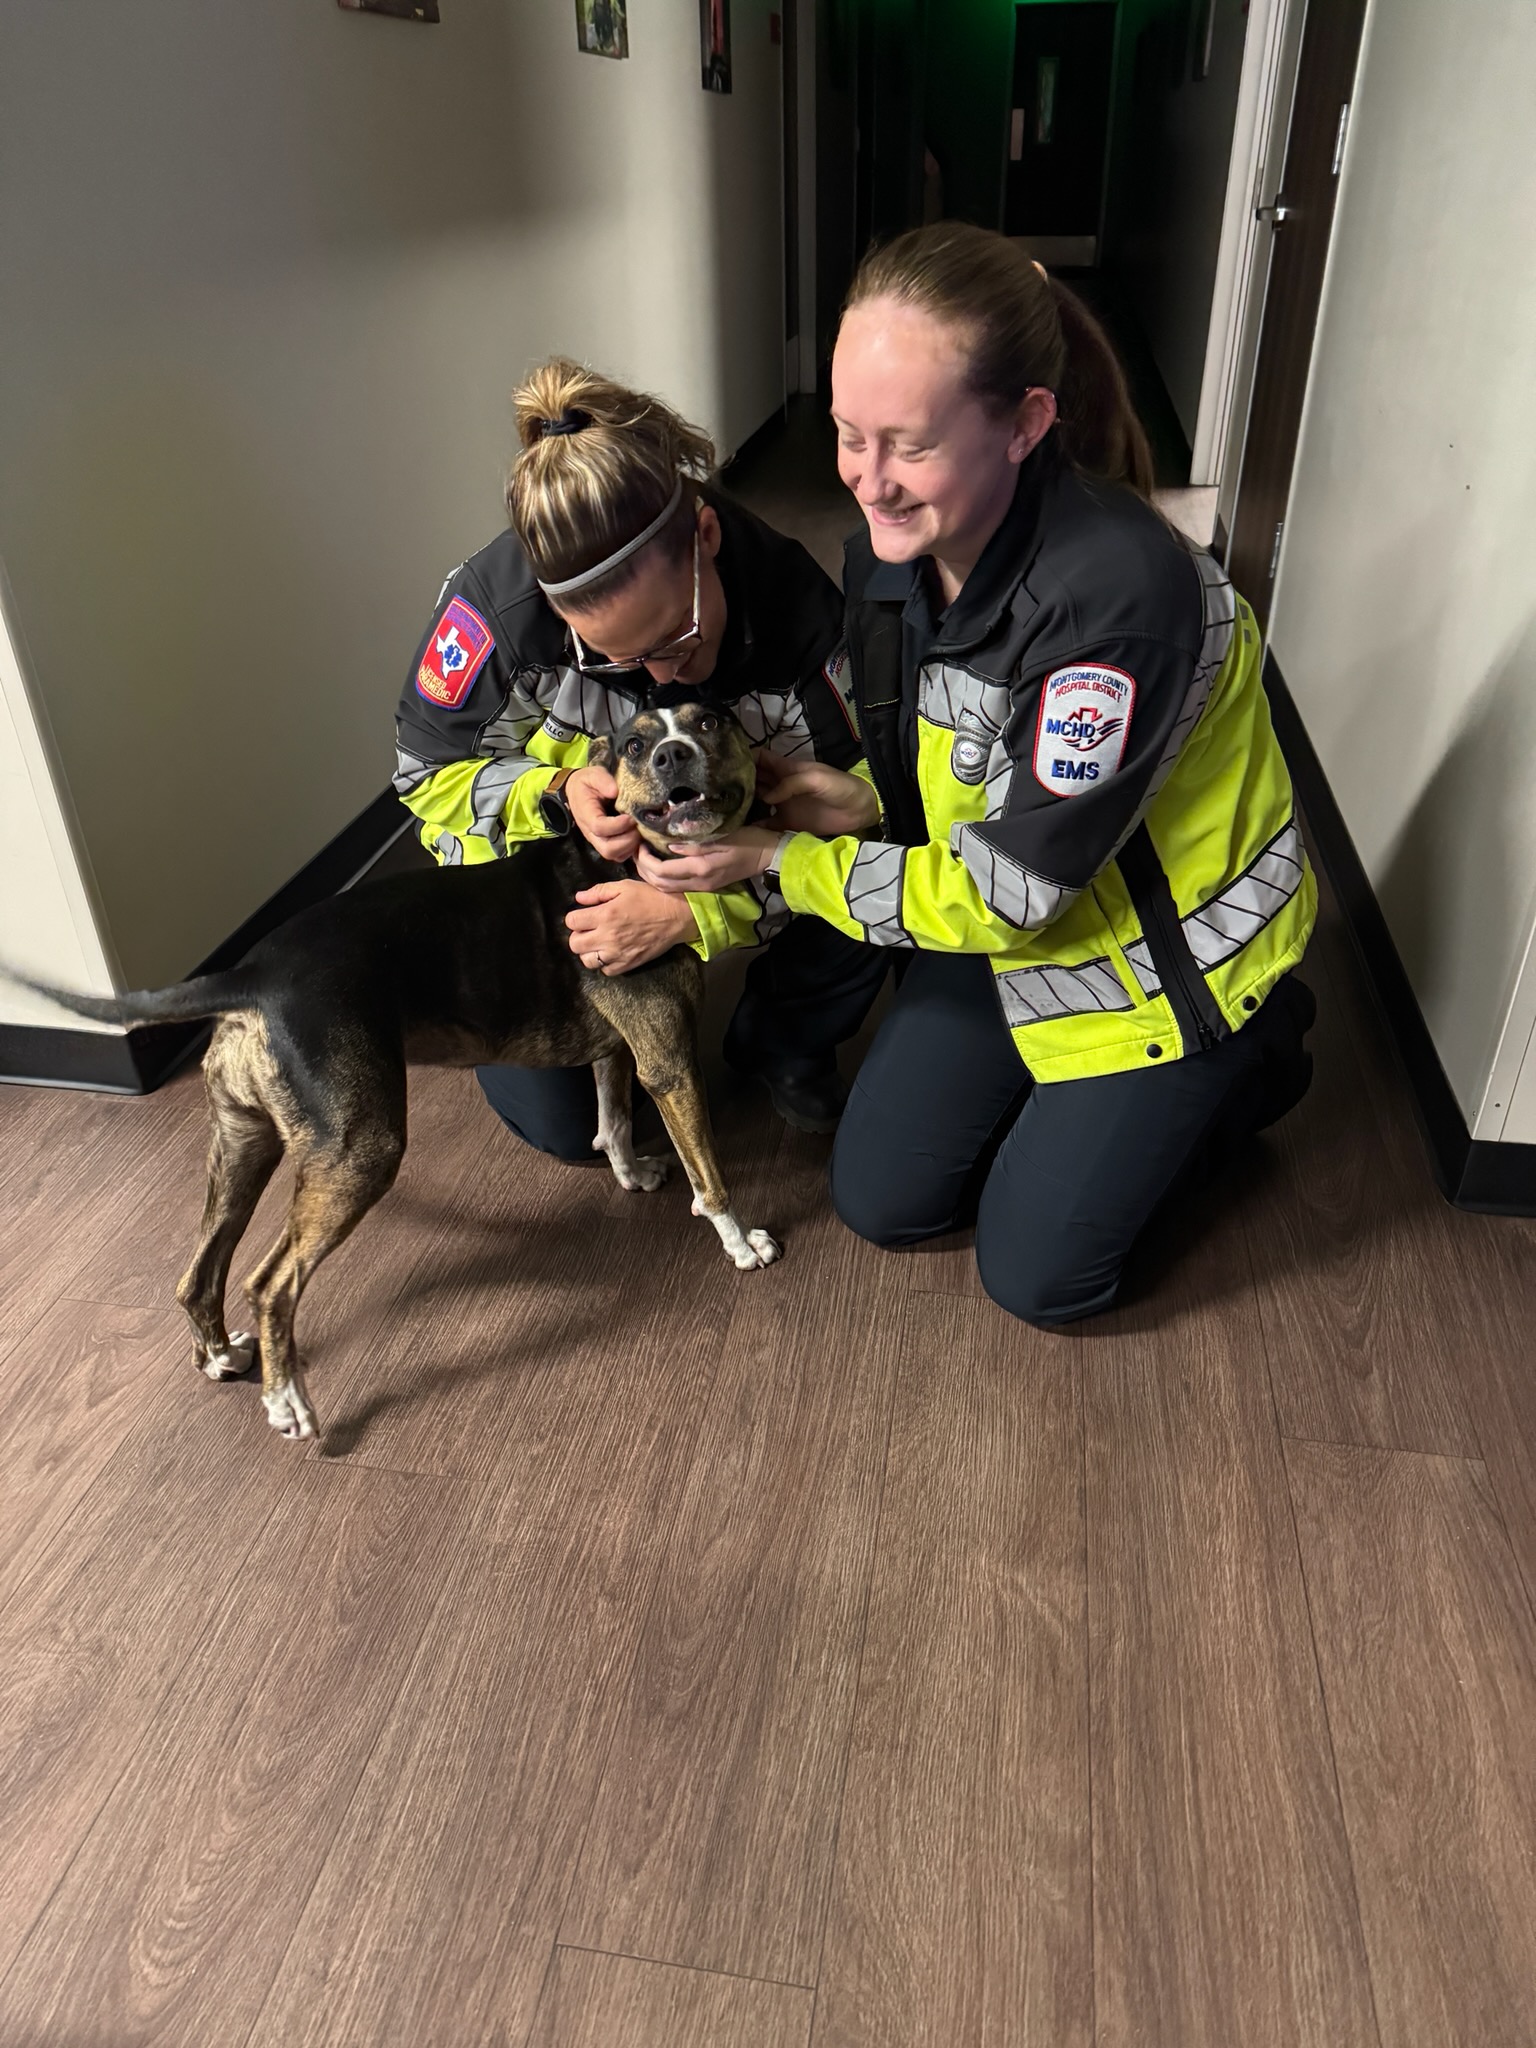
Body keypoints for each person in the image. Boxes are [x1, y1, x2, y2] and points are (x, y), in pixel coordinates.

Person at [641, 224, 1318, 1326]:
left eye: (906, 444)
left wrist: (783, 862)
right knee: (882, 1198)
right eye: (849, 435)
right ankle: (1081, 1122)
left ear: (1025, 425)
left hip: (1164, 960)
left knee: (1038, 1277)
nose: (866, 480)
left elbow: (1014, 892)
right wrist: (854, 800)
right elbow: (959, 774)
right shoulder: (891, 551)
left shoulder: (1116, 601)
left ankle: (1253, 1058)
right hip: (1020, 915)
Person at [394, 359, 888, 1154]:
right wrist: (552, 792)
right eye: (615, 658)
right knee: (562, 1128)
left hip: (742, 850)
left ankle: (784, 1034)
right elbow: (423, 781)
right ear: (553, 610)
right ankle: (612, 1018)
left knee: (874, 863)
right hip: (562, 880)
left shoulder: (797, 613)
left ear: (707, 534)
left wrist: (700, 911)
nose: (658, 677)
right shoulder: (492, 615)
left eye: (675, 641)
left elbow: (869, 805)